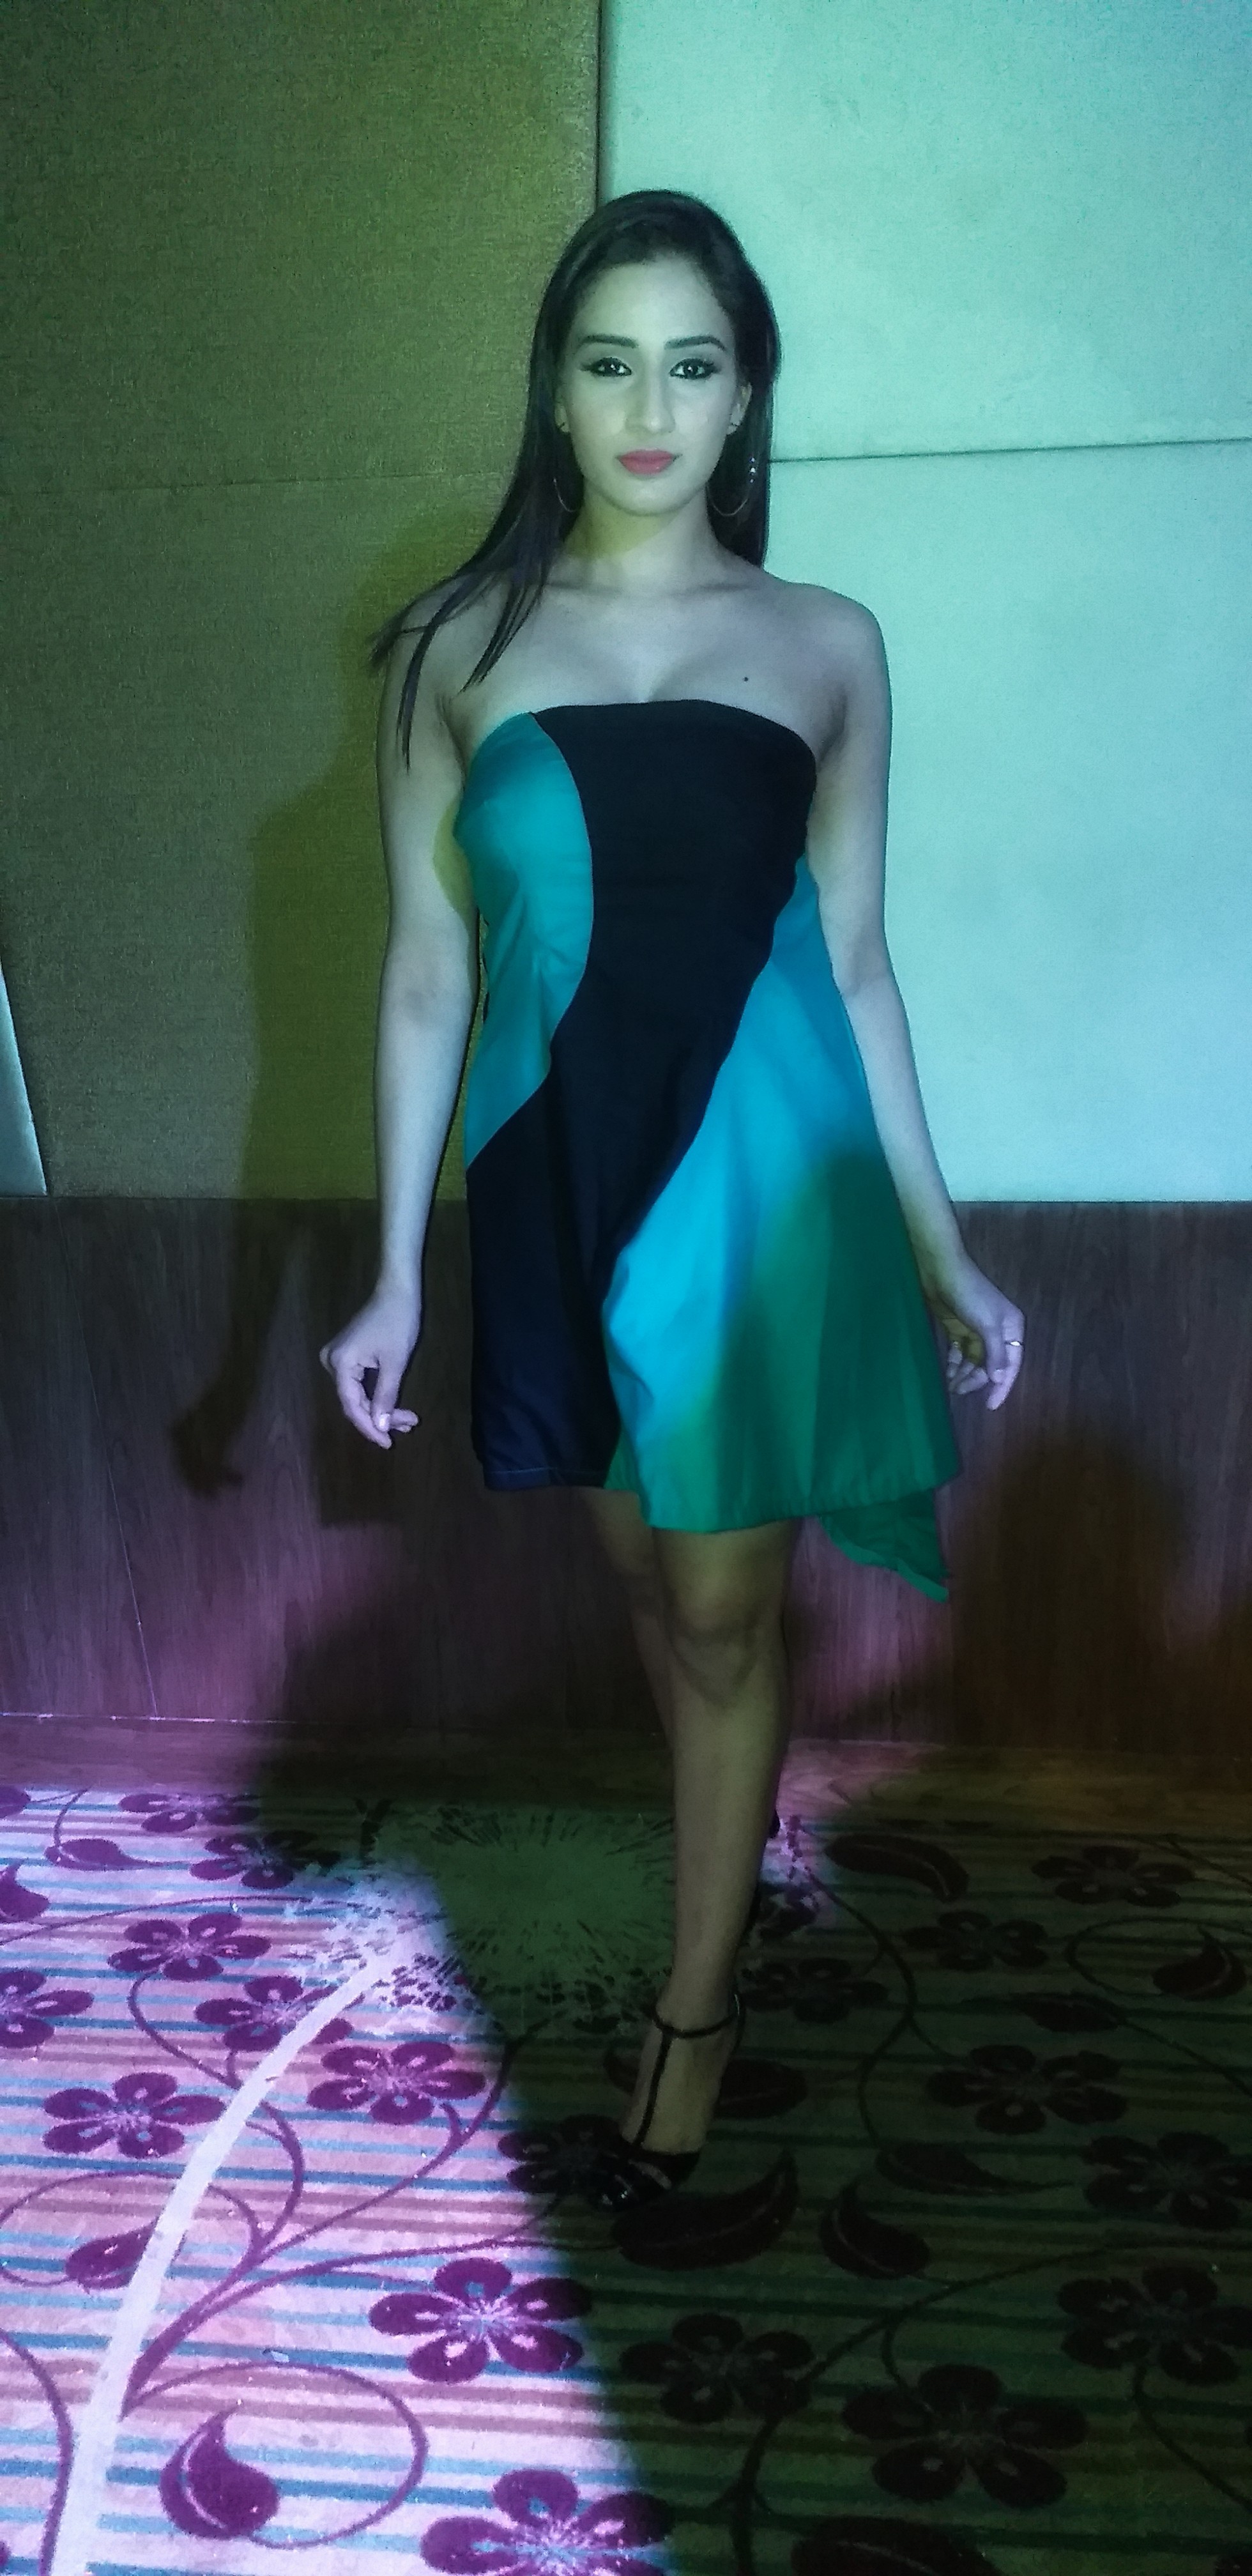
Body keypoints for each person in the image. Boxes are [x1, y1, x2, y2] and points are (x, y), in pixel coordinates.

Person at [321, 189, 1024, 2210]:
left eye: (691, 366)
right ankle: (729, 1879)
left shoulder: (827, 645)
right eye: (610, 361)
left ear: (743, 400)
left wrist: (942, 1241)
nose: (649, 407)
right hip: (554, 1171)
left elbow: (860, 967)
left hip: (764, 1185)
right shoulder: (451, 648)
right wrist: (392, 1270)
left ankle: (694, 2017)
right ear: (554, 390)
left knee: (718, 1602)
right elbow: (428, 971)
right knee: (655, 1590)